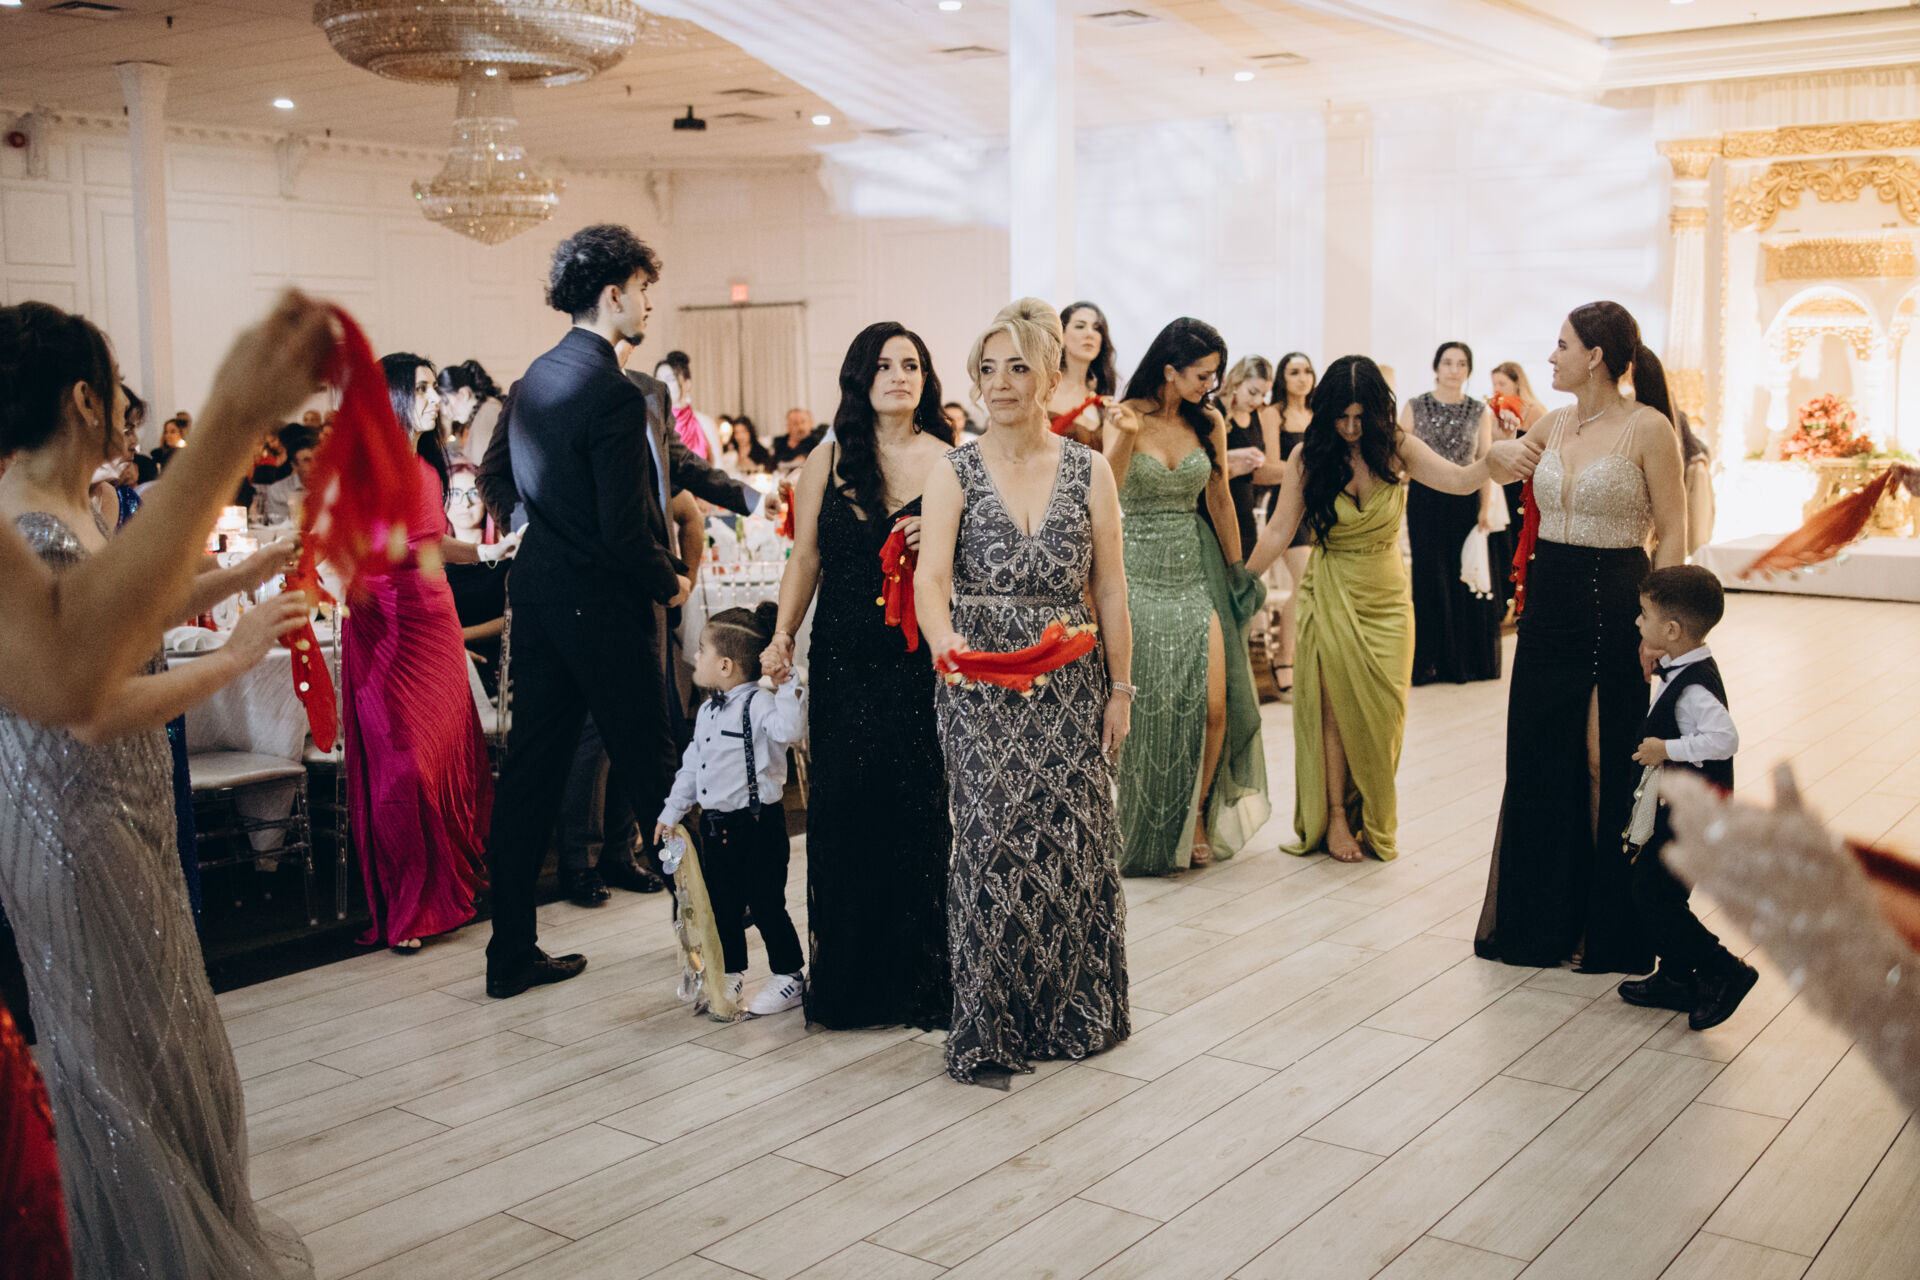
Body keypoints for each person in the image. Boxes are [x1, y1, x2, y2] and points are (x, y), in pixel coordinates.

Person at [0, 299, 316, 1277]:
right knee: (123, 1062)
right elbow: (92, 705)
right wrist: (236, 655)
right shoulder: (29, 524)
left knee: (165, 1039)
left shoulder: (54, 511)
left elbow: (124, 612)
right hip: (75, 819)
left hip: (112, 811)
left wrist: (238, 577)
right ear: (84, 399)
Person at [915, 297, 1131, 1083]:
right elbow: (930, 578)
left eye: (1016, 367)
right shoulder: (954, 471)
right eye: (987, 368)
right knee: (991, 847)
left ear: (1048, 376)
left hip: (1072, 683)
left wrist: (1121, 688)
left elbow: (1111, 588)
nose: (999, 382)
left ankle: (1072, 1010)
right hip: (980, 686)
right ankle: (990, 1022)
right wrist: (944, 641)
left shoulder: (1090, 468)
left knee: (1072, 843)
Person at [481, 224, 681, 998]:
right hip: (601, 606)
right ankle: (712, 946)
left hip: (538, 598)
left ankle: (510, 953)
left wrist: (536, 530)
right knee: (656, 771)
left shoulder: (534, 378)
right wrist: (668, 581)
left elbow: (501, 479)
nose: (649, 304)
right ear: (613, 294)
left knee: (529, 774)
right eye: (644, 290)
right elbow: (625, 530)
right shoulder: (613, 392)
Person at [1249, 355, 1540, 862]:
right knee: (1334, 711)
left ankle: (1369, 810)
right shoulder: (1307, 457)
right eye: (1342, 417)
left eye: (1361, 417)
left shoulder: (1397, 446)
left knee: (1385, 715)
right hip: (1332, 587)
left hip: (1386, 597)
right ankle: (1336, 818)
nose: (1351, 428)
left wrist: (1490, 462)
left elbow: (1457, 479)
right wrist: (1241, 581)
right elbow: (1278, 530)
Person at [1476, 301, 1688, 974]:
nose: (1551, 355)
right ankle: (1544, 923)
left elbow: (1674, 533)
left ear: (1595, 356)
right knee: (1539, 758)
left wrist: (1661, 628)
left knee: (1607, 762)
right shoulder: (1554, 422)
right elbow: (1494, 470)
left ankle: (1611, 925)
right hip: (1549, 605)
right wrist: (1496, 453)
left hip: (1618, 601)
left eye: (1562, 344)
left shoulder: (1649, 428)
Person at [761, 321, 955, 1030]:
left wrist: (940, 538)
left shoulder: (952, 462)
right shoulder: (828, 458)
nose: (899, 376)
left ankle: (919, 975)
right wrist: (783, 634)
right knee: (844, 810)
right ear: (859, 378)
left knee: (916, 807)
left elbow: (975, 566)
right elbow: (805, 558)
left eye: (911, 365)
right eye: (884, 365)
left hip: (916, 657)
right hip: (842, 656)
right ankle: (851, 981)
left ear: (926, 379)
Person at [343, 355, 495, 955]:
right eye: (424, 388)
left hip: (436, 620)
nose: (436, 397)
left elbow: (430, 547)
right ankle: (408, 905)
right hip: (385, 626)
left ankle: (445, 887)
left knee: (447, 754)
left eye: (435, 387)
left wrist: (487, 552)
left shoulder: (430, 467)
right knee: (402, 768)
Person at [1109, 317, 1264, 873]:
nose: (1211, 385)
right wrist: (1125, 435)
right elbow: (1107, 489)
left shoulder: (1209, 421)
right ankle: (1143, 818)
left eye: (1215, 375)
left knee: (1214, 706)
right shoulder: (1125, 416)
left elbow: (1219, 497)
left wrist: (1237, 568)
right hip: (1137, 570)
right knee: (1151, 708)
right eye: (1202, 375)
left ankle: (1197, 813)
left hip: (1195, 569)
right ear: (1170, 370)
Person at [1617, 566, 1757, 1029]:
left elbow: (1725, 739)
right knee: (1665, 891)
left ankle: (1725, 970)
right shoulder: (1683, 667)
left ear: (1673, 630)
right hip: (1684, 809)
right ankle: (1677, 978)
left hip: (1694, 814)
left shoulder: (1693, 685)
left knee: (1652, 894)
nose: (1638, 621)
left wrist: (1666, 749)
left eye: (1644, 615)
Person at [655, 602, 808, 1016]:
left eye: (701, 650)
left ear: (725, 665)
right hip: (715, 826)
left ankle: (789, 975)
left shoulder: (758, 703)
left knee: (765, 902)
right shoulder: (707, 710)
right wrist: (671, 812)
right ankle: (731, 971)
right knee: (723, 903)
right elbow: (693, 765)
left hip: (757, 825)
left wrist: (788, 684)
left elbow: (790, 729)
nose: (695, 656)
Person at [1403, 341, 1501, 685]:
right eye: (1447, 362)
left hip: (1464, 498)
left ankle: (1461, 662)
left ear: (1469, 370)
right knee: (1429, 576)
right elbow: (1399, 454)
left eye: (1461, 364)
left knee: (1461, 577)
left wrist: (1485, 507)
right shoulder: (1415, 405)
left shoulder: (1478, 410)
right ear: (1436, 367)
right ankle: (1428, 661)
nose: (1454, 370)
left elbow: (1484, 459)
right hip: (1424, 500)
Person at [1265, 352, 1316, 698]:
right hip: (1287, 505)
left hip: (1318, 507)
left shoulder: (1318, 414)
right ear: (1283, 377)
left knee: (1314, 585)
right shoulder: (1273, 413)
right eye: (1294, 371)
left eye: (1307, 371)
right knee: (1306, 580)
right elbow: (1270, 466)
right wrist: (1311, 469)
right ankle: (1283, 660)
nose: (1302, 377)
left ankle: (1305, 660)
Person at [1488, 360, 1549, 610]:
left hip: (1525, 484)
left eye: (1502, 383)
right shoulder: (1496, 413)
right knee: (1504, 542)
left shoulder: (1535, 411)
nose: (1497, 389)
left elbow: (1544, 451)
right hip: (1503, 484)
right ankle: (1505, 599)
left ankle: (1524, 599)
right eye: (1494, 384)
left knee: (1523, 539)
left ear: (1517, 383)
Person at [1216, 354, 1277, 559]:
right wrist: (1232, 456)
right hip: (1217, 509)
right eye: (1252, 392)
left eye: (1264, 395)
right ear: (1236, 383)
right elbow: (1199, 458)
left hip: (1245, 510)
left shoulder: (1255, 415)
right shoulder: (1215, 410)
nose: (1257, 400)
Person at [1049, 300, 1118, 446]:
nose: (1089, 334)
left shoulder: (1102, 397)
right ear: (1062, 336)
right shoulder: (1045, 387)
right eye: (1080, 326)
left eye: (1097, 328)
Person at [655, 349, 721, 461]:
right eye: (658, 379)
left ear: (687, 384)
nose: (663, 385)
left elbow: (719, 465)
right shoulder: (653, 424)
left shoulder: (704, 423)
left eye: (670, 379)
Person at [438, 359, 504, 466]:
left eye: (446, 402)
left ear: (464, 394)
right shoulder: (484, 412)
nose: (444, 411)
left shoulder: (488, 414)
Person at [258, 426, 318, 524]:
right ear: (294, 465)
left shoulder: (330, 488)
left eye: (318, 459)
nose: (314, 465)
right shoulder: (278, 490)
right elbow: (280, 526)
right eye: (307, 460)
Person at [772, 406, 823, 473]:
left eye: (803, 422)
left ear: (811, 423)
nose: (800, 427)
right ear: (788, 426)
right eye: (795, 423)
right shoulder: (779, 444)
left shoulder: (818, 442)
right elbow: (771, 468)